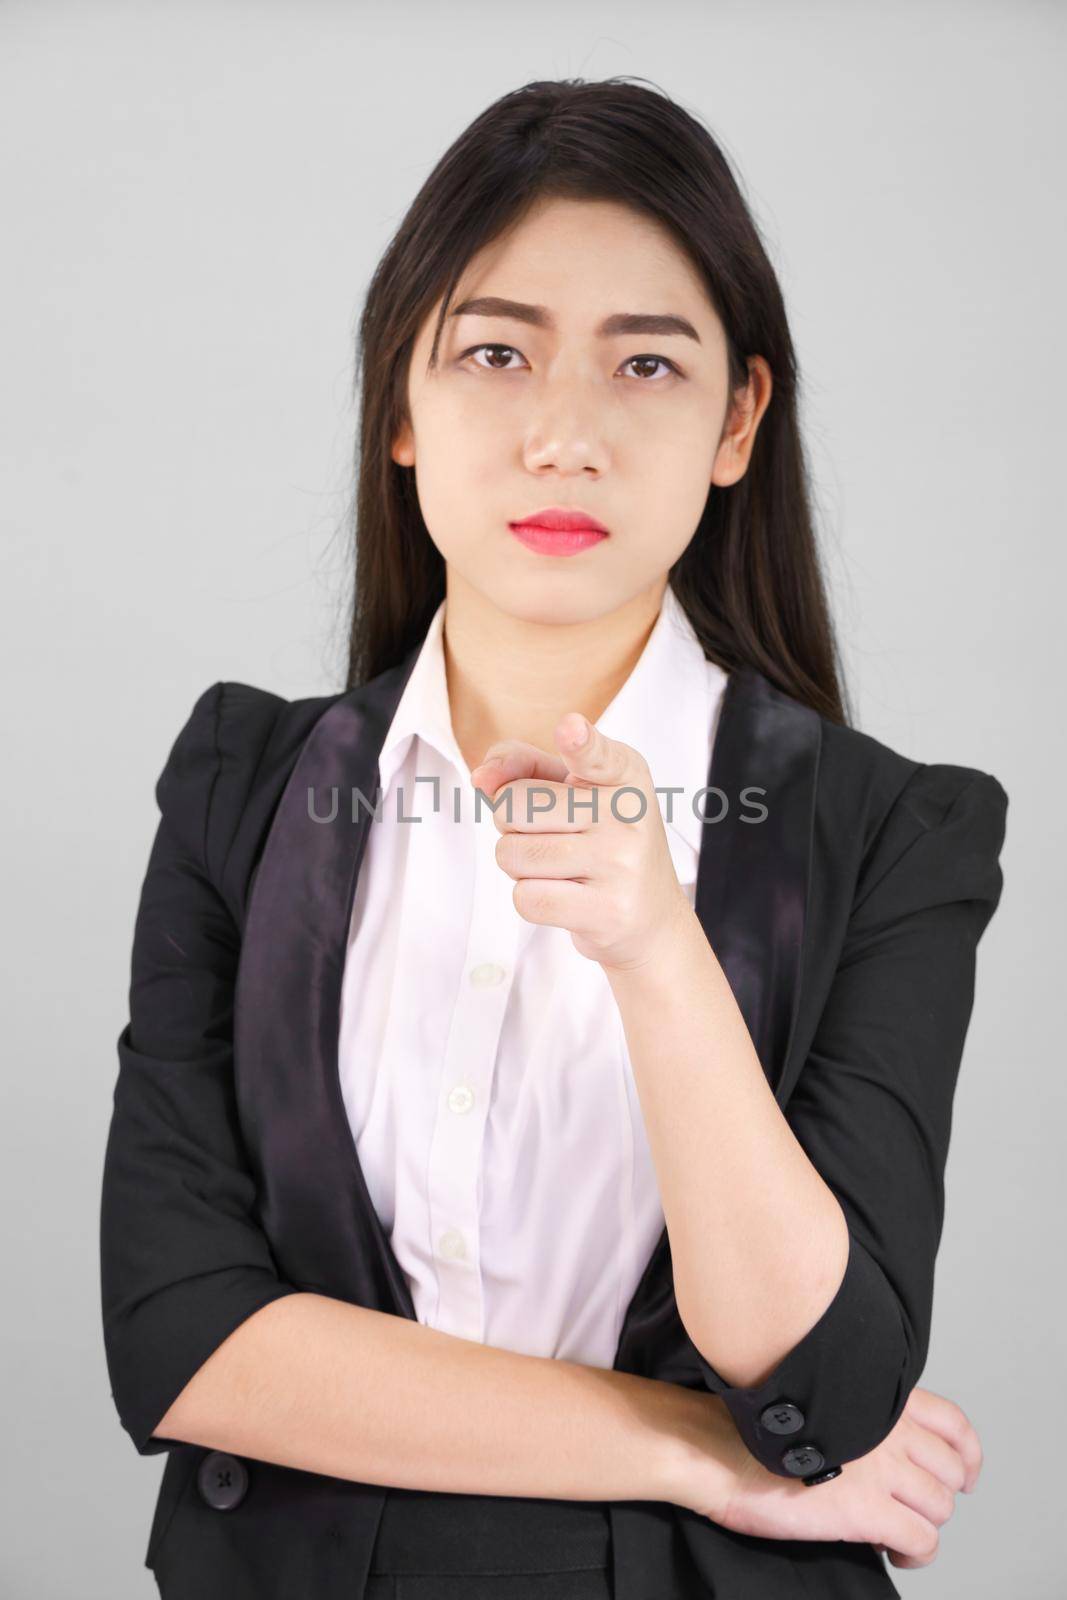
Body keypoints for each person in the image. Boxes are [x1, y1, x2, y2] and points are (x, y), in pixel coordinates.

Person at [99, 77, 1007, 1600]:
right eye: (496, 353)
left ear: (737, 423)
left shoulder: (893, 832)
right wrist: (687, 1450)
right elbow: (183, 1340)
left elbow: (820, 1384)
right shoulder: (243, 784)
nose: (564, 435)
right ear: (401, 403)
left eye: (646, 364)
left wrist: (659, 952)